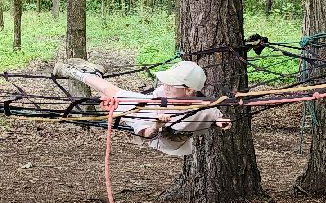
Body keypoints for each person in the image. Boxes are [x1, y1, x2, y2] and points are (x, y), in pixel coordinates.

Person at [54, 58, 230, 157]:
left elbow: (214, 114)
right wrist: (156, 124)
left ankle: (86, 73)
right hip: (144, 110)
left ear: (190, 90)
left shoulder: (202, 107)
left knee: (114, 93)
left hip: (159, 129)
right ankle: (76, 72)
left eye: (172, 84)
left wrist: (222, 122)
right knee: (113, 93)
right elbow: (145, 130)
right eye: (165, 81)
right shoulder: (160, 97)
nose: (165, 85)